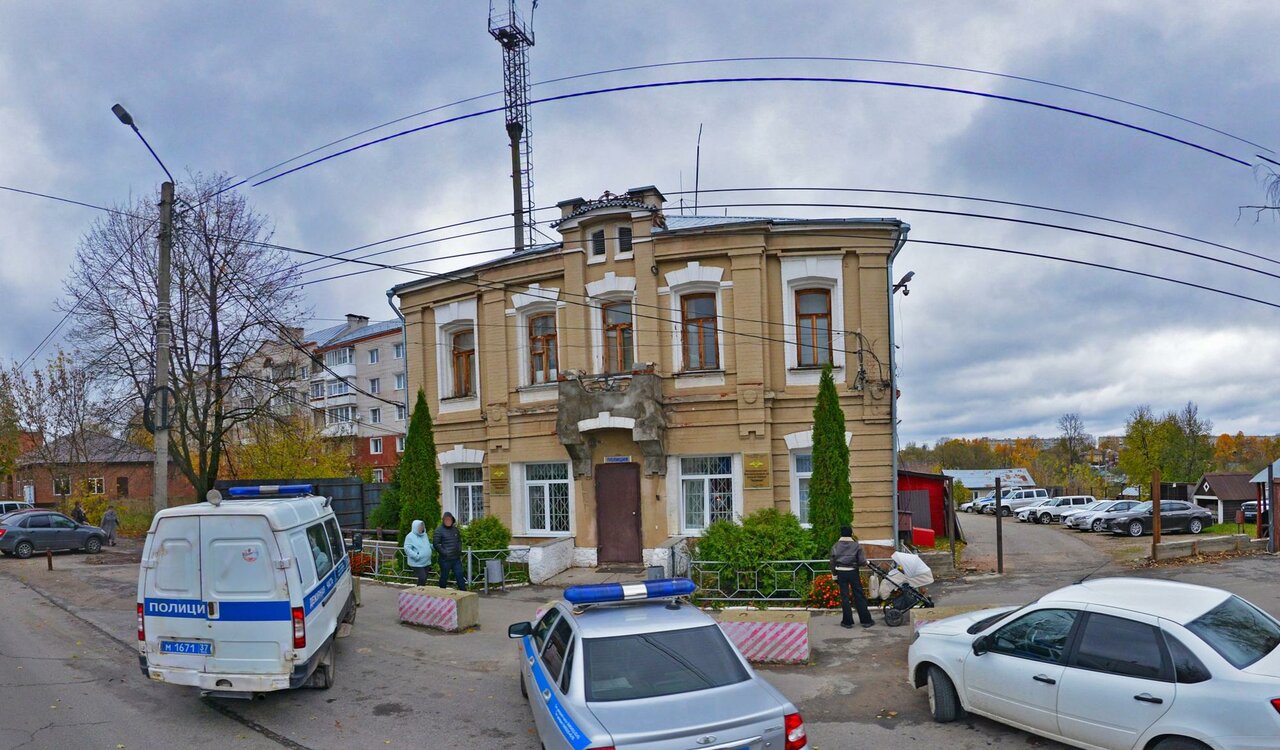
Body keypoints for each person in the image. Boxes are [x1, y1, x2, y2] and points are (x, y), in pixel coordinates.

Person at [829, 526, 874, 629]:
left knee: (844, 597)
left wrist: (834, 575)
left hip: (841, 573)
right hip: (853, 572)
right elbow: (861, 561)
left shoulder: (835, 546)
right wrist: (866, 562)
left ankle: (847, 622)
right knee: (859, 595)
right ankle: (866, 621)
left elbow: (832, 562)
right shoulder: (856, 546)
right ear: (851, 534)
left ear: (841, 534)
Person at [433, 512, 466, 591]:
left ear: (452, 520)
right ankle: (442, 592)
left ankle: (464, 592)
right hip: (445, 560)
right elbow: (436, 544)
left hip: (456, 559)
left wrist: (459, 550)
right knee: (444, 577)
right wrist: (445, 553)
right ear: (443, 520)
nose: (448, 521)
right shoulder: (439, 530)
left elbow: (459, 541)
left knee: (459, 575)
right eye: (446, 520)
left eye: (450, 520)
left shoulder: (455, 529)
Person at [403, 519, 433, 586]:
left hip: (426, 562)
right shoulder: (410, 536)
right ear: (415, 527)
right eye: (419, 526)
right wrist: (416, 556)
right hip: (417, 563)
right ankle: (418, 591)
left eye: (422, 526)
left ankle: (421, 591)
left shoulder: (424, 535)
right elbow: (407, 548)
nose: (421, 528)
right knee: (422, 578)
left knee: (424, 579)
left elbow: (427, 544)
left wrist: (434, 546)